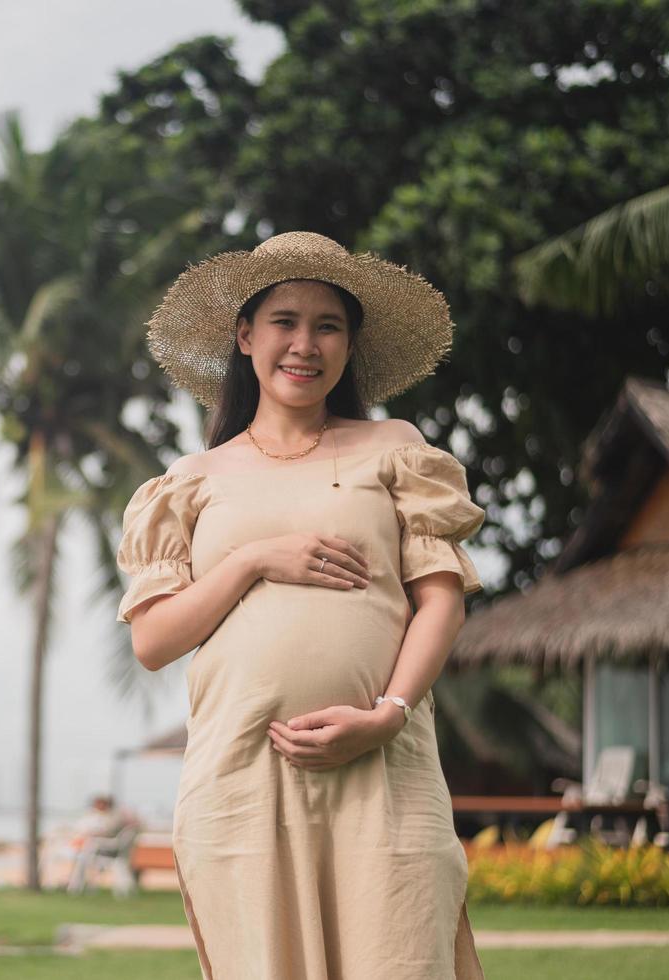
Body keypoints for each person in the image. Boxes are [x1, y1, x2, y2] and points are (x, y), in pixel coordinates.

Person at [116, 231, 487, 978]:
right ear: (245, 335)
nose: (304, 343)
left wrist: (387, 713)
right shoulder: (191, 481)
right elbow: (153, 640)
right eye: (284, 320)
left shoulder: (394, 447)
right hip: (241, 783)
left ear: (349, 347)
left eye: (328, 326)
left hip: (384, 766)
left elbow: (440, 602)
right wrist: (255, 559)